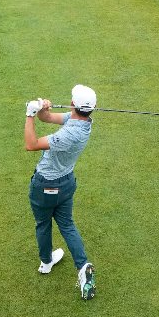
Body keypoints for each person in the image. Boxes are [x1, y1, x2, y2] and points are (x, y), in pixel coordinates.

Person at [24, 85, 99, 300]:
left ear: (74, 104)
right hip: (66, 183)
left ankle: (46, 262)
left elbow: (31, 144)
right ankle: (82, 266)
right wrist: (42, 110)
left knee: (43, 224)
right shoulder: (82, 122)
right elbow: (47, 119)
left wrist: (29, 115)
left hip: (46, 184)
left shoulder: (69, 134)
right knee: (66, 224)